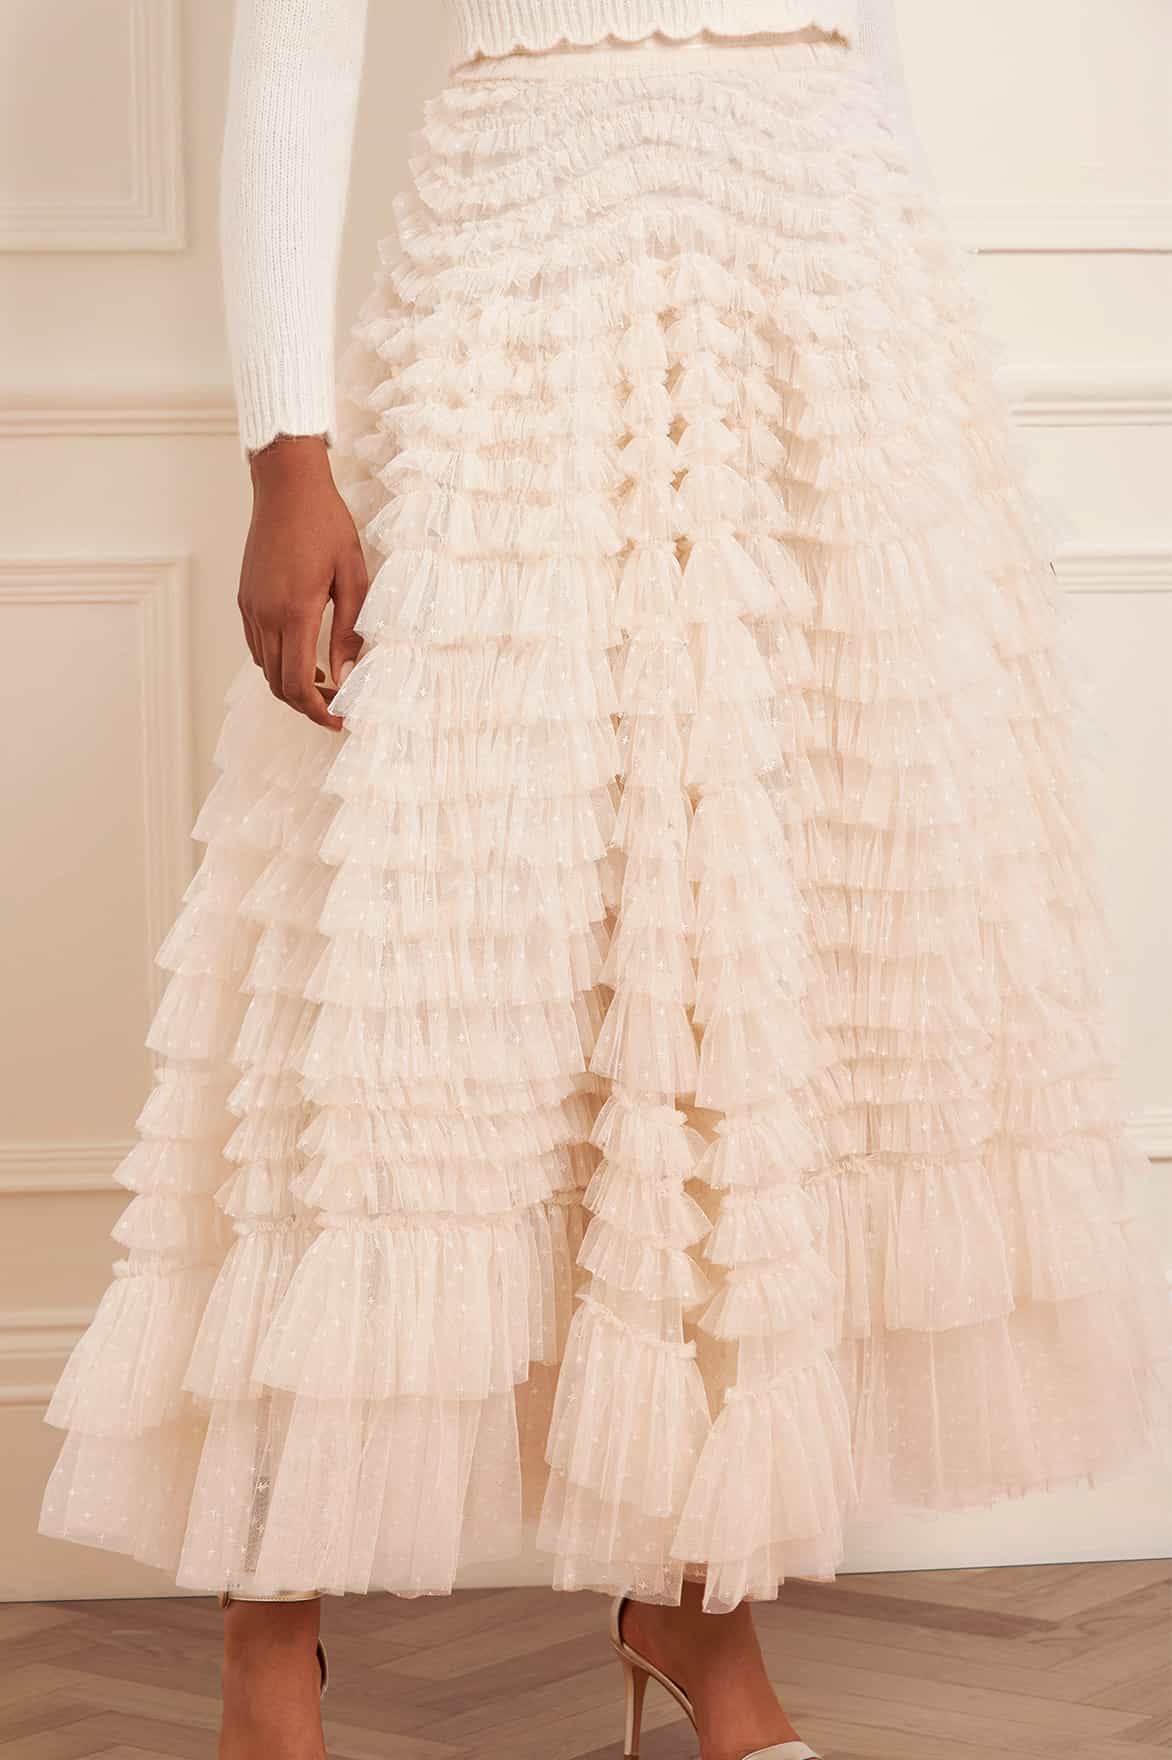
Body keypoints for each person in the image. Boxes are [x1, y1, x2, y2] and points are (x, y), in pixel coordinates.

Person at [39, 3, 1169, 1757]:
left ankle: (702, 1612)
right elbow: (293, 52)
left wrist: (920, 412)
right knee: (401, 968)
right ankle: (272, 1633)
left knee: (753, 962)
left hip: (827, 305)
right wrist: (287, 456)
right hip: (529, 297)